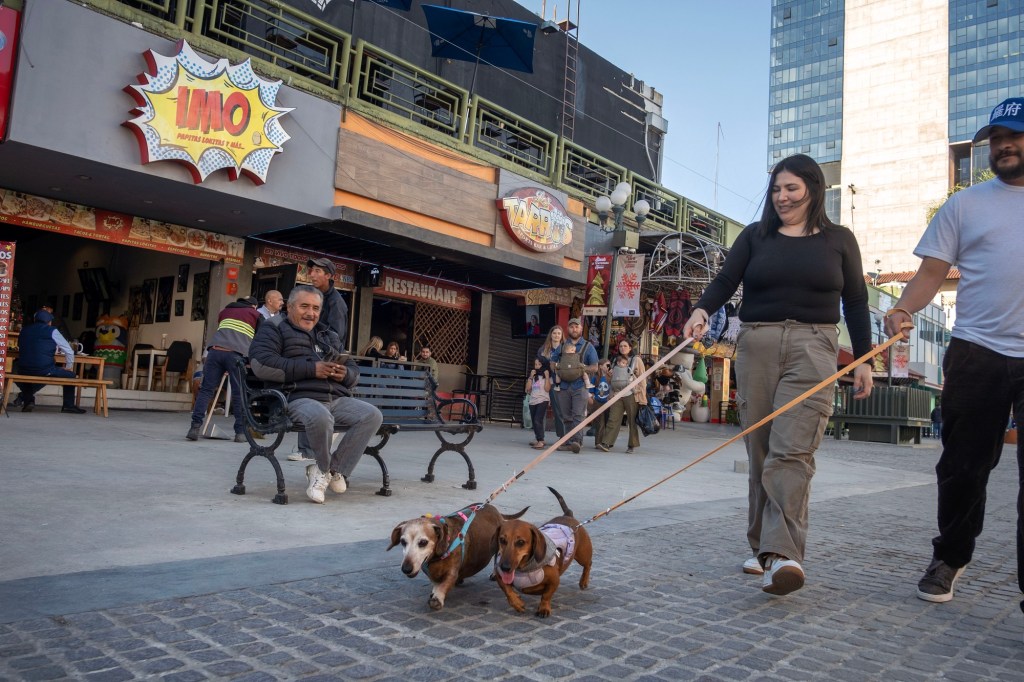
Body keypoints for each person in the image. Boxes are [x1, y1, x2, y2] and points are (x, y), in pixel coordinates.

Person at [684, 153, 873, 597]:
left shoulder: (840, 240)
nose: (782, 197)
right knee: (762, 450)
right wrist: (700, 310)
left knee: (793, 450)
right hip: (758, 344)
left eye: (791, 187)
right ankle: (764, 547)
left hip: (815, 347)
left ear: (812, 188)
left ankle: (782, 555)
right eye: (776, 189)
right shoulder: (755, 237)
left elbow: (859, 302)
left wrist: (864, 358)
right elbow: (725, 280)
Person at [883, 97, 1024, 606]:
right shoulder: (965, 204)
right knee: (962, 467)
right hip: (976, 351)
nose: (1004, 145)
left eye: (1015, 135)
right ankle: (951, 556)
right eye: (996, 138)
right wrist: (902, 310)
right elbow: (930, 272)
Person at [250, 286, 383, 504]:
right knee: (320, 415)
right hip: (293, 398)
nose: (310, 313)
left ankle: (329, 470)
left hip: (334, 398)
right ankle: (324, 469)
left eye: (315, 308)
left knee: (372, 415)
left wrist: (345, 374)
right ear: (290, 306)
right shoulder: (273, 328)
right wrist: (311, 369)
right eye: (304, 306)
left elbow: (353, 370)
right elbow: (261, 364)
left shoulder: (326, 334)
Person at [186, 296, 261, 442]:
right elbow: (260, 338)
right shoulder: (256, 314)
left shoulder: (225, 311)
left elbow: (226, 331)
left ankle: (194, 428)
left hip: (214, 352)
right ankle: (240, 433)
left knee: (206, 390)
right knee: (239, 393)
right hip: (236, 355)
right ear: (253, 306)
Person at [14, 309, 86, 414]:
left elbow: (20, 346)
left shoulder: (24, 330)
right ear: (49, 322)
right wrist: (69, 366)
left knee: (24, 372)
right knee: (70, 375)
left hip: (23, 368)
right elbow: (69, 351)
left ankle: (27, 399)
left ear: (35, 320)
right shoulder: (52, 330)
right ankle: (68, 406)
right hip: (44, 369)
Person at [550, 318, 599, 454]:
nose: (574, 329)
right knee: (566, 416)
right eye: (571, 327)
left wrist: (582, 369)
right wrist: (558, 369)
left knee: (578, 415)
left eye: (576, 327)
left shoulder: (588, 347)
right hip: (564, 386)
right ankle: (568, 441)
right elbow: (552, 362)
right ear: (568, 329)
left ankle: (577, 442)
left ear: (581, 328)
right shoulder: (562, 346)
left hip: (580, 386)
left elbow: (595, 367)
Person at [597, 339, 647, 454]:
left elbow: (642, 377)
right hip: (617, 394)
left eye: (625, 346)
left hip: (631, 394)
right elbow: (611, 377)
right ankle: (607, 443)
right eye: (620, 346)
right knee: (613, 418)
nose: (622, 348)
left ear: (630, 347)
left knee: (632, 420)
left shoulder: (636, 360)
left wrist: (642, 396)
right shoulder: (615, 360)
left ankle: (632, 445)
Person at [307, 258, 348, 345]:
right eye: (312, 270)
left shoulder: (336, 302)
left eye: (317, 271)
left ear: (328, 276)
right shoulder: (311, 295)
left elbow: (335, 336)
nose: (312, 274)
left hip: (325, 354)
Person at [537, 325, 566, 438]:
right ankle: (540, 438)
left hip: (557, 383)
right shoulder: (543, 349)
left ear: (562, 336)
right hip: (544, 381)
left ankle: (562, 437)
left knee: (558, 411)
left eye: (559, 333)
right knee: (540, 410)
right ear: (551, 335)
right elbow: (538, 363)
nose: (556, 335)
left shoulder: (565, 348)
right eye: (554, 333)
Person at [525, 358, 551, 450]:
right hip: (533, 400)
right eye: (535, 365)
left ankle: (541, 440)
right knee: (534, 421)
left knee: (537, 419)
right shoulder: (534, 377)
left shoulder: (546, 376)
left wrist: (547, 377)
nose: (537, 367)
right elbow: (528, 389)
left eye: (539, 365)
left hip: (543, 400)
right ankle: (538, 438)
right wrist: (531, 377)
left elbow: (547, 389)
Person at [588, 358, 613, 449]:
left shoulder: (610, 376)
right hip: (598, 401)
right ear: (601, 366)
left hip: (608, 401)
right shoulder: (596, 377)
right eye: (607, 365)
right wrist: (592, 397)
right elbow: (591, 389)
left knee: (607, 421)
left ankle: (606, 442)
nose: (608, 367)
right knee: (600, 422)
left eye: (609, 365)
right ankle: (598, 442)